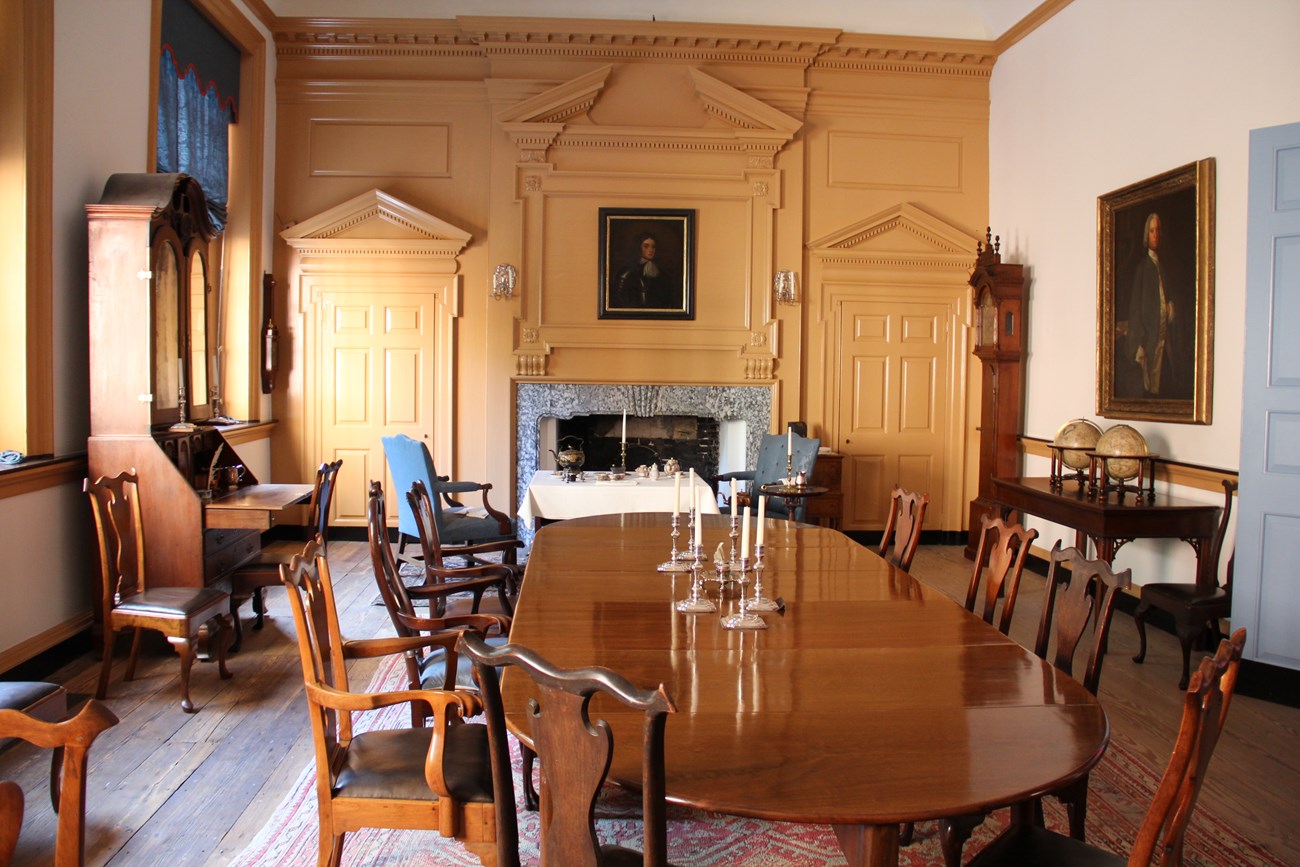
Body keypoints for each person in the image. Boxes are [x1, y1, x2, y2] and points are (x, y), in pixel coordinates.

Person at [1125, 212, 1189, 399]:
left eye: (1158, 230)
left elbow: (1166, 295)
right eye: (1152, 231)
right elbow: (1136, 308)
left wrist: (1170, 305)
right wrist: (1138, 342)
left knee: (1163, 383)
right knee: (1149, 385)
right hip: (1148, 339)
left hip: (1164, 339)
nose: (1155, 235)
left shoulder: (1163, 268)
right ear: (1147, 234)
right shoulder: (1143, 269)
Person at [611, 231, 679, 311]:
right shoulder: (628, 272)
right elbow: (620, 299)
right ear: (639, 248)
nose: (651, 250)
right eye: (646, 246)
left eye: (653, 247)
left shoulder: (662, 273)